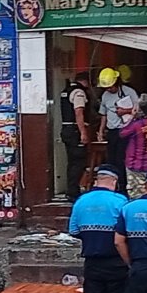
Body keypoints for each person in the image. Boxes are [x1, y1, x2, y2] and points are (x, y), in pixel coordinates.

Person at [69, 164, 130, 293]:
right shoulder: (120, 202)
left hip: (92, 265)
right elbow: (126, 233)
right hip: (117, 264)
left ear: (97, 180)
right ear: (113, 182)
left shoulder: (81, 201)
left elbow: (74, 231)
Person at [96, 68, 139, 195]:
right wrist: (100, 131)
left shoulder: (129, 92)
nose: (109, 89)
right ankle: (112, 187)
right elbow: (103, 114)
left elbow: (138, 110)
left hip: (126, 131)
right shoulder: (105, 96)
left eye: (111, 86)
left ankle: (124, 188)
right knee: (111, 160)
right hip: (112, 132)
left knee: (122, 160)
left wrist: (124, 111)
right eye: (107, 87)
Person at [120, 94, 147, 199]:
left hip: (136, 164)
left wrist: (132, 116)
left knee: (136, 195)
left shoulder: (137, 125)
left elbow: (122, 133)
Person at [58, 72, 92, 202]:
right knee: (79, 162)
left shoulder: (65, 91)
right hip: (75, 131)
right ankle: (73, 192)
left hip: (67, 130)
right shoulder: (79, 92)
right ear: (85, 81)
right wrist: (83, 132)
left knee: (72, 162)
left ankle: (71, 191)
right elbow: (79, 112)